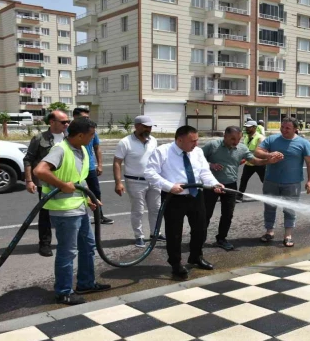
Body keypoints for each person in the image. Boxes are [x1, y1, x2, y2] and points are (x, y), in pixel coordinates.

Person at [33, 117, 111, 305]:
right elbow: (40, 170)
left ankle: (86, 283)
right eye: (91, 135)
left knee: (88, 246)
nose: (93, 138)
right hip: (64, 211)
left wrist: (88, 198)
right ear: (80, 135)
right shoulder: (60, 149)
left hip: (79, 207)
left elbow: (79, 180)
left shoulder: (82, 149)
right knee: (68, 252)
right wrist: (61, 185)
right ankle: (63, 291)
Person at [145, 125, 224, 280]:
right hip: (173, 197)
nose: (195, 144)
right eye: (192, 141)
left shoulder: (198, 152)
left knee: (200, 228)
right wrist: (169, 186)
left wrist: (215, 183)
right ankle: (175, 263)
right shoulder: (162, 152)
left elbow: (204, 172)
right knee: (174, 233)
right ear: (179, 140)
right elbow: (149, 173)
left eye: (197, 141)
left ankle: (196, 257)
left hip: (196, 194)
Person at [202, 126, 274, 251]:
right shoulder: (212, 145)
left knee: (228, 214)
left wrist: (268, 160)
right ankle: (199, 239)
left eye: (238, 139)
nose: (235, 142)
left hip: (231, 185)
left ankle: (221, 239)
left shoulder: (241, 148)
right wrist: (210, 165)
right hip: (211, 184)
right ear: (225, 136)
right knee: (205, 213)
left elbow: (254, 161)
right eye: (232, 139)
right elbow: (197, 159)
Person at [254, 117, 310, 247]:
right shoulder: (272, 139)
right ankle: (269, 231)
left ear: (295, 129)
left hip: (292, 183)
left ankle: (288, 235)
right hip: (271, 180)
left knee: (290, 209)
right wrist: (269, 155)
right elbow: (257, 152)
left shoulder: (303, 143)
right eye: (282, 127)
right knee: (269, 207)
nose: (284, 130)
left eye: (287, 128)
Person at [113, 116, 165, 248]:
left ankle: (155, 233)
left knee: (156, 209)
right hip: (135, 182)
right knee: (138, 211)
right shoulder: (125, 142)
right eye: (145, 126)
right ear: (136, 126)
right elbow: (117, 162)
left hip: (153, 180)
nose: (148, 129)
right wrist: (118, 182)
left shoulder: (153, 140)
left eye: (150, 126)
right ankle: (139, 236)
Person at [23, 110, 70, 257]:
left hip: (67, 182)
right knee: (45, 214)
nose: (67, 124)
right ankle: (44, 244)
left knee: (68, 212)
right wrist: (29, 180)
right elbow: (28, 160)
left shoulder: (69, 138)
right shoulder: (39, 138)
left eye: (68, 122)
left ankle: (68, 242)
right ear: (52, 122)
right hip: (46, 183)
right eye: (63, 122)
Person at [72, 108, 114, 224]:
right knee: (78, 193)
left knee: (95, 192)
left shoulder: (92, 132)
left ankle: (99, 216)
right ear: (75, 117)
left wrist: (100, 165)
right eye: (84, 118)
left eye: (88, 118)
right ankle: (76, 218)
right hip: (76, 168)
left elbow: (97, 148)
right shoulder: (70, 132)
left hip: (89, 167)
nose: (87, 120)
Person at [237, 120, 266, 202]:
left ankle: (270, 195)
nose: (247, 129)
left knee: (264, 180)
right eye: (246, 127)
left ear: (254, 128)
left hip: (259, 163)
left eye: (249, 127)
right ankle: (239, 196)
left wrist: (247, 156)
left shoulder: (260, 138)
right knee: (243, 180)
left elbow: (261, 152)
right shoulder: (246, 137)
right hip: (249, 163)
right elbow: (245, 150)